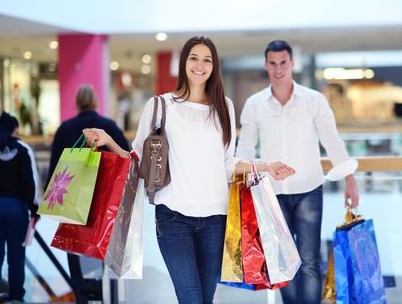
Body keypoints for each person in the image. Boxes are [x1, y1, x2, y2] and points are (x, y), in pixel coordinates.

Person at [82, 36, 295, 304]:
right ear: (184, 63)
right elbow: (137, 160)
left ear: (214, 67)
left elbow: (227, 163)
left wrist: (265, 166)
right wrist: (109, 141)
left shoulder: (224, 107)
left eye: (207, 60)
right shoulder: (160, 106)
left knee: (206, 297)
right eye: (194, 58)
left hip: (216, 220)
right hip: (173, 218)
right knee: (191, 297)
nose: (200, 65)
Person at [235, 40, 360, 304]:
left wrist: (350, 180)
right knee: (282, 263)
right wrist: (238, 188)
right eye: (272, 63)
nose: (278, 69)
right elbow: (244, 149)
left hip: (309, 190)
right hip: (271, 195)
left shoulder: (313, 100)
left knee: (309, 261)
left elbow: (332, 141)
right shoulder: (255, 104)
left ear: (292, 63)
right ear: (266, 64)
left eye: (283, 63)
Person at [46, 84, 130, 304]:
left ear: (77, 102)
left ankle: (82, 295)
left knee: (72, 242)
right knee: (104, 243)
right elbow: (126, 158)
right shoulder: (108, 126)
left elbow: (56, 167)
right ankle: (106, 293)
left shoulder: (65, 128)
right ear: (95, 101)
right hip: (104, 197)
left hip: (72, 196)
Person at [0, 112, 39, 303]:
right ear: (15, 129)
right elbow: (30, 183)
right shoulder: (23, 149)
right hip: (16, 209)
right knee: (16, 256)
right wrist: (34, 210)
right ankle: (16, 297)